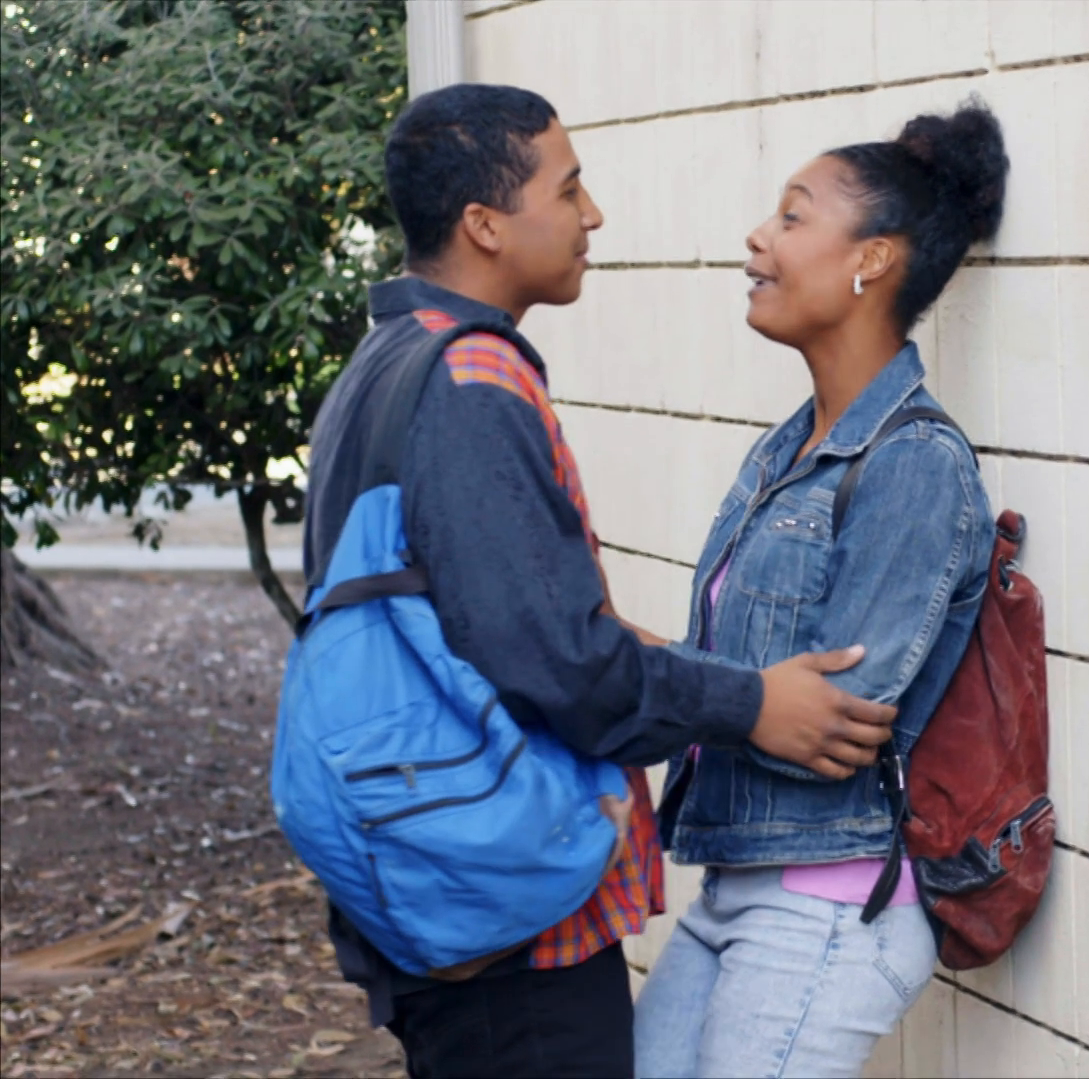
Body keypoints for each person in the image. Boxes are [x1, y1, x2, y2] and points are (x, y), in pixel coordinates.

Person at [300, 83, 900, 1079]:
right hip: (510, 935)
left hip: (434, 876)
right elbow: (559, 664)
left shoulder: (388, 359)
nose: (594, 215)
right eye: (568, 189)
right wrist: (752, 705)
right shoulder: (470, 382)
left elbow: (484, 625)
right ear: (486, 224)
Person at [629, 97, 1008, 1079]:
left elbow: (838, 721)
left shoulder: (914, 462)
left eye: (793, 216)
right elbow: (756, 690)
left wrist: (655, 677)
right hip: (738, 886)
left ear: (870, 259)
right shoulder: (788, 451)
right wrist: (630, 664)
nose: (758, 237)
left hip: (829, 908)